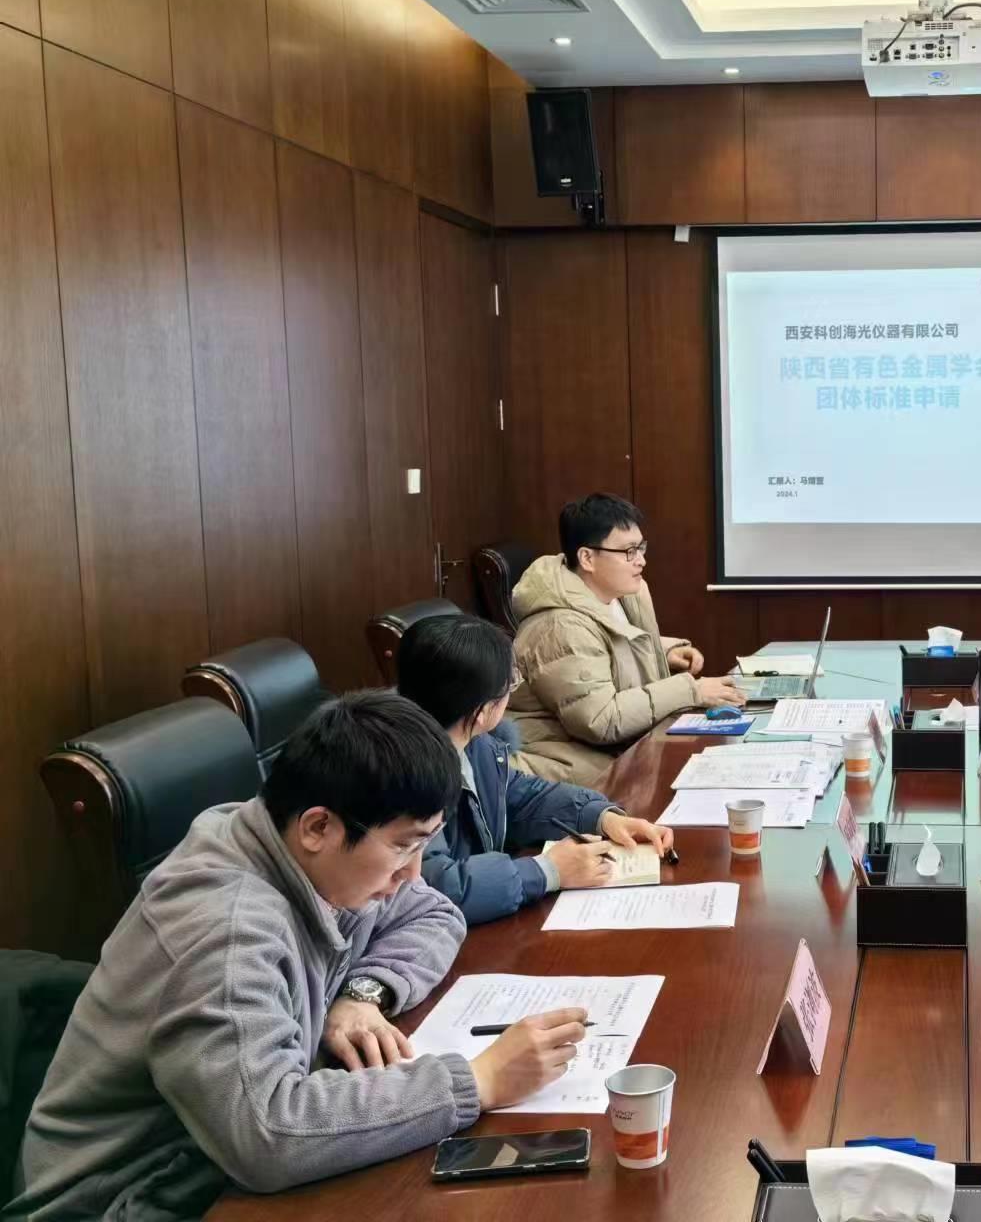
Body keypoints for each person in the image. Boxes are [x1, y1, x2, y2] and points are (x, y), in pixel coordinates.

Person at [6, 694, 591, 1220]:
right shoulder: (225, 929)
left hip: (211, 1165)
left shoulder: (307, 854)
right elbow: (268, 1133)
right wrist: (479, 1080)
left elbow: (435, 913)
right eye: (404, 846)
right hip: (132, 1197)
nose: (412, 874)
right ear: (318, 827)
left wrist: (362, 995)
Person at [398, 613, 674, 925]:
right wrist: (547, 871)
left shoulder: (473, 742)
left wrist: (601, 817)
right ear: (482, 710)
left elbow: (522, 797)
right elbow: (432, 885)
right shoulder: (402, 775)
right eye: (509, 686)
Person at [507, 493, 744, 784]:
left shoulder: (615, 594)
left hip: (610, 748)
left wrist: (662, 651)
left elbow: (607, 645)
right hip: (565, 760)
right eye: (629, 551)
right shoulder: (560, 627)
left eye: (641, 548)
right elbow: (601, 720)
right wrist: (690, 691)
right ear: (587, 558)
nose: (641, 561)